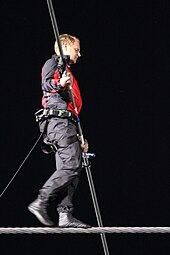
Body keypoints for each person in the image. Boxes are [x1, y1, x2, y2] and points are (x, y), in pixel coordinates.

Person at [28, 34, 91, 228]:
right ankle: (41, 200)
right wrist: (59, 84)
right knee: (71, 165)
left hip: (67, 124)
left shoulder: (67, 72)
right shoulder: (53, 63)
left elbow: (71, 106)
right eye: (76, 49)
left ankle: (65, 215)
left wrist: (80, 137)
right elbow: (46, 85)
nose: (79, 54)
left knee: (74, 166)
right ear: (64, 46)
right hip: (58, 122)